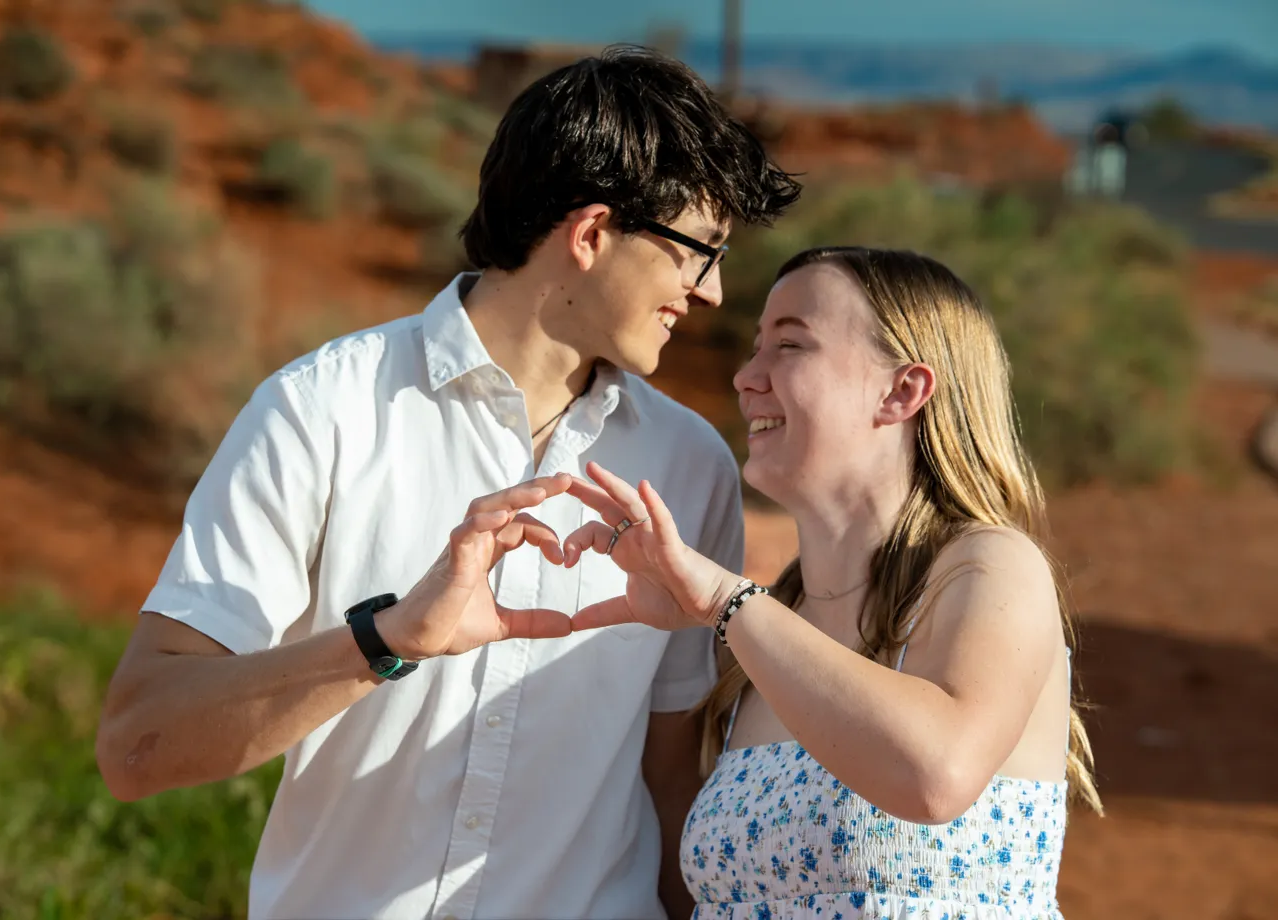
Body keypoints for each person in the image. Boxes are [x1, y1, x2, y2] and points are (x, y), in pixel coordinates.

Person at [93, 45, 800, 920]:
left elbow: (667, 781)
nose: (713, 293)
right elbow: (136, 747)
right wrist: (384, 641)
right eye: (699, 253)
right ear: (590, 235)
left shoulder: (692, 470)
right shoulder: (323, 412)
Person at [564, 247, 1103, 919]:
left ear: (902, 391)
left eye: (789, 345)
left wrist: (723, 601)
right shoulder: (765, 640)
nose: (745, 377)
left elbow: (937, 774)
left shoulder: (991, 566)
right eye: (757, 347)